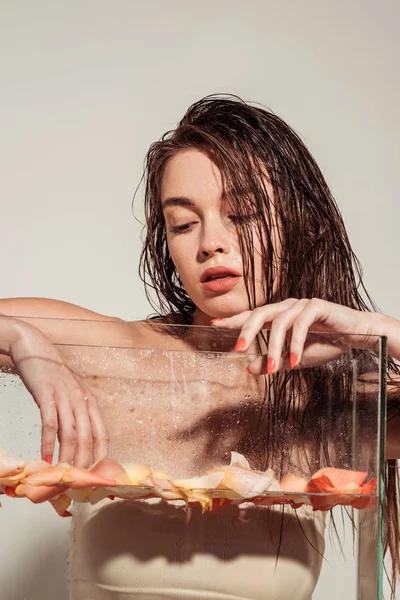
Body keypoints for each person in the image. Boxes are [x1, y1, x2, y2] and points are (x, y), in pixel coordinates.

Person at [0, 95, 399, 599]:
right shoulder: (118, 355)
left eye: (245, 213)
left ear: (300, 224)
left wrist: (378, 330)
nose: (211, 241)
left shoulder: (341, 398)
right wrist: (18, 336)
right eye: (184, 224)